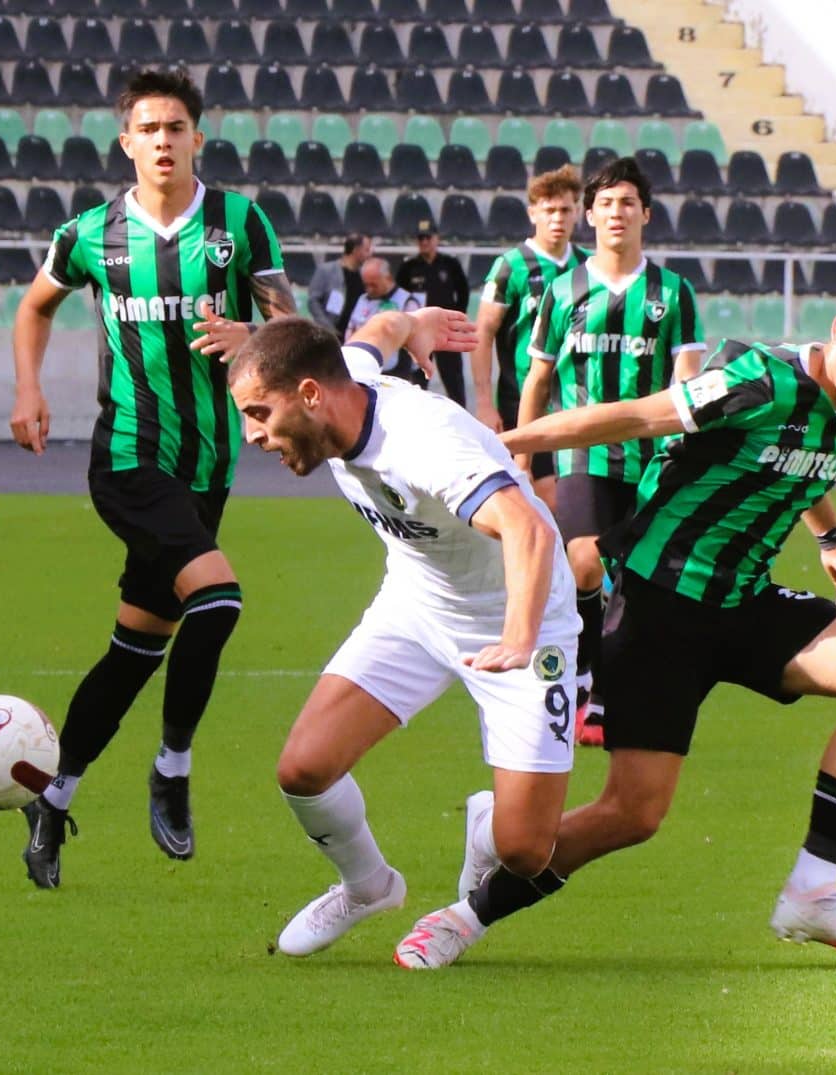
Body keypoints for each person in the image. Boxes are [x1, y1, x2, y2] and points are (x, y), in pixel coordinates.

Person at [388, 269, 836, 970]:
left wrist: (833, 543)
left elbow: (797, 462)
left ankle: (813, 889)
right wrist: (505, 448)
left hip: (743, 600)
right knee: (633, 815)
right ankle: (466, 915)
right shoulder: (757, 380)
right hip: (659, 608)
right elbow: (631, 416)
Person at [220, 307, 582, 959]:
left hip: (522, 616)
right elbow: (373, 336)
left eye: (258, 414)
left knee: (526, 848)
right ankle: (368, 885)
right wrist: (412, 321)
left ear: (308, 395)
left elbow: (525, 527)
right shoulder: (343, 378)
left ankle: (486, 828)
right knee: (303, 769)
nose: (253, 434)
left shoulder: (423, 440)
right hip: (418, 603)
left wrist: (521, 636)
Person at [9, 68, 295, 889]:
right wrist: (29, 389)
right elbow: (35, 306)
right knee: (220, 597)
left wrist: (251, 333)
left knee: (136, 647)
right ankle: (172, 768)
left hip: (209, 466)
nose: (163, 140)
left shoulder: (240, 226)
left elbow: (292, 327)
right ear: (125, 141)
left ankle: (54, 797)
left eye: (177, 126)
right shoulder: (90, 234)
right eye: (149, 128)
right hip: (129, 458)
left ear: (198, 138)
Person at [516, 157, 705, 746]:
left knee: (637, 582)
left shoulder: (673, 293)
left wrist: (686, 452)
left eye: (628, 202)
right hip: (582, 457)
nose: (616, 213)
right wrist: (522, 460)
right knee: (583, 562)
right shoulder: (562, 289)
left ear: (645, 214)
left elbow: (688, 380)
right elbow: (537, 380)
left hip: (653, 461)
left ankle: (601, 692)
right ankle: (578, 673)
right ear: (589, 215)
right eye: (606, 203)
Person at [470, 164, 587, 505]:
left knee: (571, 497)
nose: (557, 219)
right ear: (533, 212)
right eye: (549, 210)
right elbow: (484, 332)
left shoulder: (588, 266)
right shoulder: (511, 266)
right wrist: (483, 402)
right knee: (541, 494)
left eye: (565, 210)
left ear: (578, 212)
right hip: (522, 398)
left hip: (575, 400)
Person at [395, 222, 472, 406]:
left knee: (453, 378)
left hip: (446, 328)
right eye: (420, 238)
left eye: (428, 237)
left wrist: (457, 318)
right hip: (419, 331)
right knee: (418, 380)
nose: (424, 242)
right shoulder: (409, 267)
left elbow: (463, 291)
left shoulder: (450, 264)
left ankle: (461, 417)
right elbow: (399, 296)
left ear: (437, 238)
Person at [346, 257, 425, 386]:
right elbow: (351, 327)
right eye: (366, 285)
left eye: (373, 285)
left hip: (394, 373)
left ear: (388, 278)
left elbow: (417, 340)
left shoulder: (407, 302)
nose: (369, 289)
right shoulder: (363, 299)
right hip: (364, 370)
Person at [308, 233, 369, 336]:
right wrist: (327, 327)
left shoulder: (364, 275)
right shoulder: (326, 271)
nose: (369, 254)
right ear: (356, 250)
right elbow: (313, 301)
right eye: (366, 250)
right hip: (331, 334)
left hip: (356, 335)